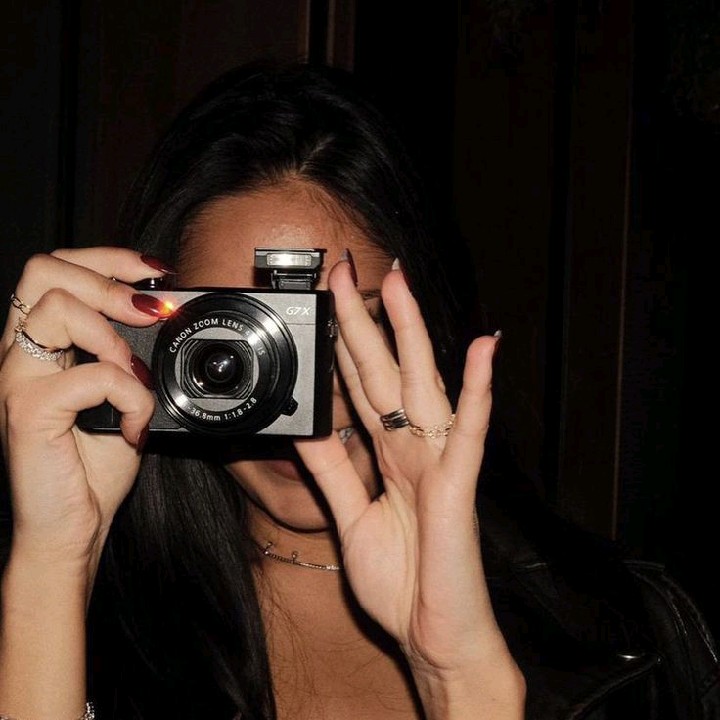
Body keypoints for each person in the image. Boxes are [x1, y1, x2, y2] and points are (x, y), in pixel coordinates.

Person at [0, 62, 717, 720]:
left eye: (343, 325)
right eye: (238, 341)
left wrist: (463, 679)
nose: (300, 390)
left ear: (428, 323)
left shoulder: (630, 633)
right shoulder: (78, 616)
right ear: (153, 336)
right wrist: (56, 566)